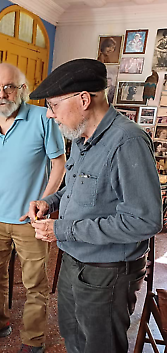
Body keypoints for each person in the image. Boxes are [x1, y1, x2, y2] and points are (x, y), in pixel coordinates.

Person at [26, 58, 162, 353]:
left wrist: (62, 229)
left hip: (107, 275)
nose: (51, 115)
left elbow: (146, 221)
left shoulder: (128, 141)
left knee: (100, 347)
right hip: (73, 264)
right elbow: (77, 190)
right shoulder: (80, 138)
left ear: (84, 99)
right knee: (73, 339)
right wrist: (49, 203)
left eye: (54, 105)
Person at [0, 63, 66, 353]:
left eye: (9, 87)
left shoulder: (44, 118)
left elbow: (59, 164)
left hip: (30, 219)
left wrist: (44, 202)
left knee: (34, 284)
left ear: (22, 90)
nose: (2, 94)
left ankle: (33, 341)